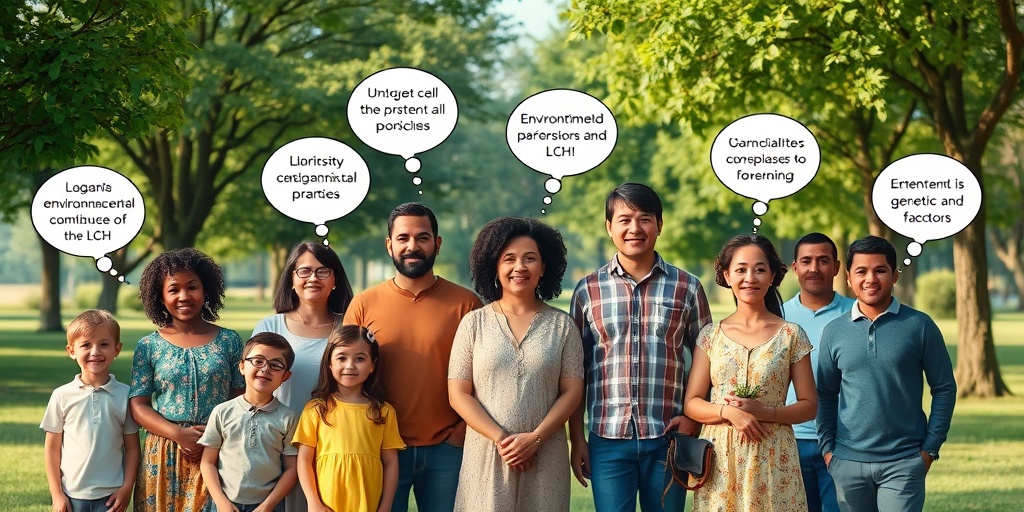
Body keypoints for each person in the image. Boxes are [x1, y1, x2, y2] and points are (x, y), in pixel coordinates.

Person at [569, 183, 712, 512]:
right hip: (607, 439)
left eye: (645, 218)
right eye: (624, 220)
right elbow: (574, 373)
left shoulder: (687, 287)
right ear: (609, 227)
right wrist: (577, 438)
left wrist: (694, 419)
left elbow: (709, 360)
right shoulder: (588, 290)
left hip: (668, 437)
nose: (635, 228)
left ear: (659, 225)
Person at [343, 202, 482, 512]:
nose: (412, 246)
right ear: (389, 245)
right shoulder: (363, 305)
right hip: (381, 446)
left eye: (422, 237)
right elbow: (345, 376)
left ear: (437, 243)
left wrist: (463, 430)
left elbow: (485, 376)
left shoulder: (467, 304)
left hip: (449, 448)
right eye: (403, 238)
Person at [448, 217, 584, 511]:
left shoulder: (563, 326)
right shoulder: (473, 324)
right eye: (509, 259)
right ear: (495, 267)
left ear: (544, 266)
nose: (519, 267)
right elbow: (458, 393)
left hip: (545, 455)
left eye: (530, 258)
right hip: (486, 455)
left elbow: (572, 392)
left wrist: (535, 439)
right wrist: (503, 440)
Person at [816, 236, 956, 512]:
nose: (870, 279)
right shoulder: (834, 331)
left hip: (904, 461)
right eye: (861, 271)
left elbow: (944, 388)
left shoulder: (920, 325)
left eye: (880, 270)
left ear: (895, 275)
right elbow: (825, 393)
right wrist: (828, 450)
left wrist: (929, 449)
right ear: (848, 278)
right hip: (847, 462)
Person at [683, 234, 816, 511]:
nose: (750, 278)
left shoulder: (791, 335)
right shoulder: (710, 336)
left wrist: (765, 412)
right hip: (720, 461)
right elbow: (692, 403)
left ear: (772, 277)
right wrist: (729, 412)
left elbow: (809, 406)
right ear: (727, 275)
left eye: (760, 270)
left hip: (774, 457)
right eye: (741, 269)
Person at [130, 247, 245, 512]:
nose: (184, 296)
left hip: (216, 451)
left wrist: (214, 436)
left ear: (206, 290)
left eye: (192, 287)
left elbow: (240, 400)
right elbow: (138, 405)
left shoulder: (229, 341)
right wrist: (179, 434)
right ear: (160, 297)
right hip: (164, 454)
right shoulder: (149, 346)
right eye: (174, 289)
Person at [251, 242, 354, 511]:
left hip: (333, 447)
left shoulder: (349, 327)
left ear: (335, 280)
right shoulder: (270, 327)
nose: (313, 278)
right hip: (277, 447)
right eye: (304, 271)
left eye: (322, 271)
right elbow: (253, 390)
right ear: (292, 279)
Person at [293, 325, 405, 512]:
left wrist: (385, 506)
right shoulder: (316, 409)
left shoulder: (384, 412)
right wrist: (313, 502)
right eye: (341, 358)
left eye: (360, 358)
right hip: (326, 504)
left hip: (367, 502)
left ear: (372, 365)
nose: (350, 365)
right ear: (330, 363)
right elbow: (304, 460)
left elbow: (391, 463)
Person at [782, 233, 855, 512]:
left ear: (836, 268)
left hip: (843, 440)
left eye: (823, 261)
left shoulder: (857, 313)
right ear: (795, 267)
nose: (814, 268)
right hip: (789, 439)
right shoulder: (777, 317)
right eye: (806, 261)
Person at [41, 309, 140, 512]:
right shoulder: (62, 396)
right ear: (71, 351)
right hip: (71, 495)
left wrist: (127, 488)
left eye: (104, 344)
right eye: (86, 345)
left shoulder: (125, 396)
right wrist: (57, 494)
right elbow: (52, 449)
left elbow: (132, 448)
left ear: (117, 349)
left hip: (111, 497)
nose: (95, 352)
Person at [199, 333, 299, 512]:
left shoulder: (288, 418)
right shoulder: (222, 412)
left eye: (276, 365)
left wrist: (267, 506)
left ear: (285, 376)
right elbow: (207, 463)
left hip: (269, 507)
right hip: (225, 505)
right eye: (258, 361)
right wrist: (221, 502)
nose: (265, 369)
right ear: (242, 366)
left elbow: (292, 469)